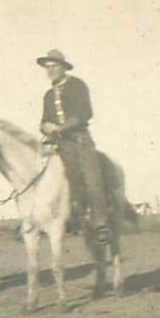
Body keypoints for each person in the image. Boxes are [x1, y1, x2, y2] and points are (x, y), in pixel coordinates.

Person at [37, 48, 109, 243]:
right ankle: (47, 219)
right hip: (59, 145)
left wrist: (60, 128)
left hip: (79, 140)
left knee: (91, 178)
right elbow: (43, 121)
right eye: (47, 67)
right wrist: (46, 127)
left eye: (54, 66)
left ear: (63, 67)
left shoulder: (77, 85)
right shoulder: (48, 95)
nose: (50, 71)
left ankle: (101, 223)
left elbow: (84, 113)